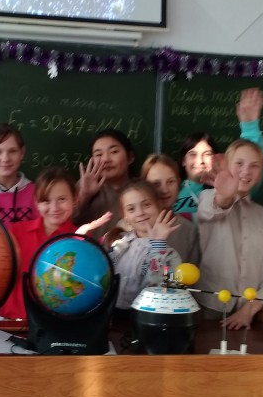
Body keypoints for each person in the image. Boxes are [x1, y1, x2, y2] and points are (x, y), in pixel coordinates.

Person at [0, 166, 110, 320]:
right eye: (46, 201)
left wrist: (79, 240)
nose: (54, 208)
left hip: (56, 324)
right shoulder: (16, 232)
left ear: (75, 199)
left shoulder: (81, 240)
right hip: (9, 321)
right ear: (36, 202)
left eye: (62, 199)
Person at [195, 139, 263, 329]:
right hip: (208, 311)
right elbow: (214, 208)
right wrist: (224, 195)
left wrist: (250, 309)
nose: (246, 171)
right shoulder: (208, 198)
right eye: (239, 163)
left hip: (253, 316)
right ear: (227, 165)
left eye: (254, 165)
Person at [173, 87, 263, 217]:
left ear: (215, 159)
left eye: (207, 154)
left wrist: (250, 127)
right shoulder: (171, 190)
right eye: (193, 154)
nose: (200, 161)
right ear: (183, 160)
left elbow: (255, 166)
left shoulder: (229, 189)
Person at [107, 179, 182, 310]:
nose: (140, 213)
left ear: (159, 205)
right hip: (112, 314)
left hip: (145, 316)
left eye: (146, 205)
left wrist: (158, 245)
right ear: (125, 217)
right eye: (131, 209)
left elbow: (160, 290)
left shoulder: (170, 255)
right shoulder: (119, 244)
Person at [141, 153, 201, 264]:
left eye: (170, 182)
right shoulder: (130, 226)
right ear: (144, 186)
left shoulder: (188, 229)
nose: (165, 190)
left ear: (178, 183)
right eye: (156, 184)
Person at [73, 128, 136, 229]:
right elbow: (63, 225)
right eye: (99, 154)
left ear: (130, 157)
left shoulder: (142, 190)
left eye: (114, 152)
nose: (106, 159)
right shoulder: (83, 186)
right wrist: (84, 197)